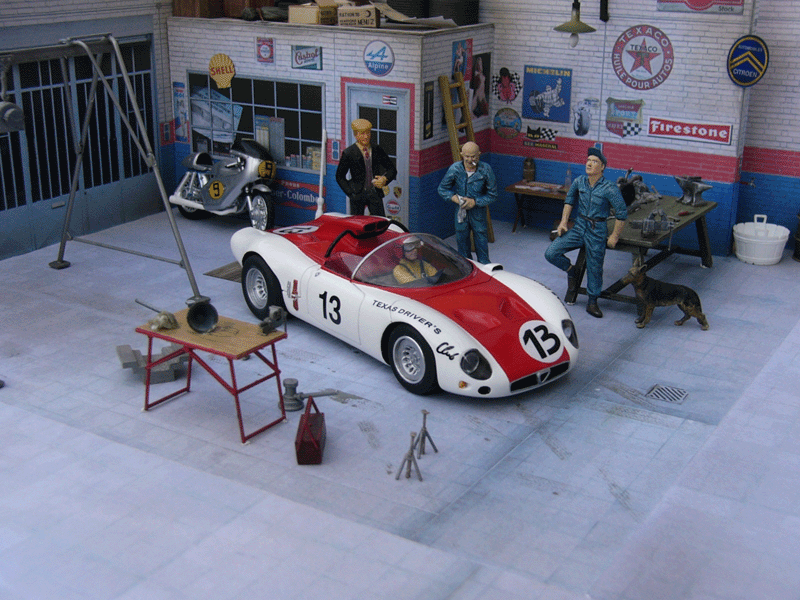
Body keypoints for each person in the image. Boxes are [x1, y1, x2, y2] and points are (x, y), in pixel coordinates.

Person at [544, 147, 628, 318]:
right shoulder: (579, 181)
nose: (589, 164)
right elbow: (569, 200)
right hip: (579, 226)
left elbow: (621, 213)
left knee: (594, 267)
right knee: (551, 252)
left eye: (594, 161)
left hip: (597, 230)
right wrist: (563, 222)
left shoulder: (610, 188)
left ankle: (592, 301)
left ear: (602, 167)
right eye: (588, 160)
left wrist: (614, 236)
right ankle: (572, 271)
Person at [437, 141, 498, 264]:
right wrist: (454, 198)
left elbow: (493, 195)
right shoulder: (455, 169)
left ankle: (484, 267)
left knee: (481, 241)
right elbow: (442, 189)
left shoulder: (485, 170)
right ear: (462, 155)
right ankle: (466, 267)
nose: (470, 160)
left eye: (473, 157)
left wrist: (475, 202)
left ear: (479, 154)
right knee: (462, 244)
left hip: (478, 213)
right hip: (461, 213)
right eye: (467, 156)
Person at [336, 118, 397, 217]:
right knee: (357, 222)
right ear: (355, 135)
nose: (366, 136)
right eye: (362, 133)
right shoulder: (349, 153)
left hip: (375, 193)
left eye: (368, 133)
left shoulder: (377, 149)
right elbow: (340, 176)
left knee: (379, 220)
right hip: (357, 194)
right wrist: (351, 192)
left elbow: (392, 169)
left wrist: (384, 179)